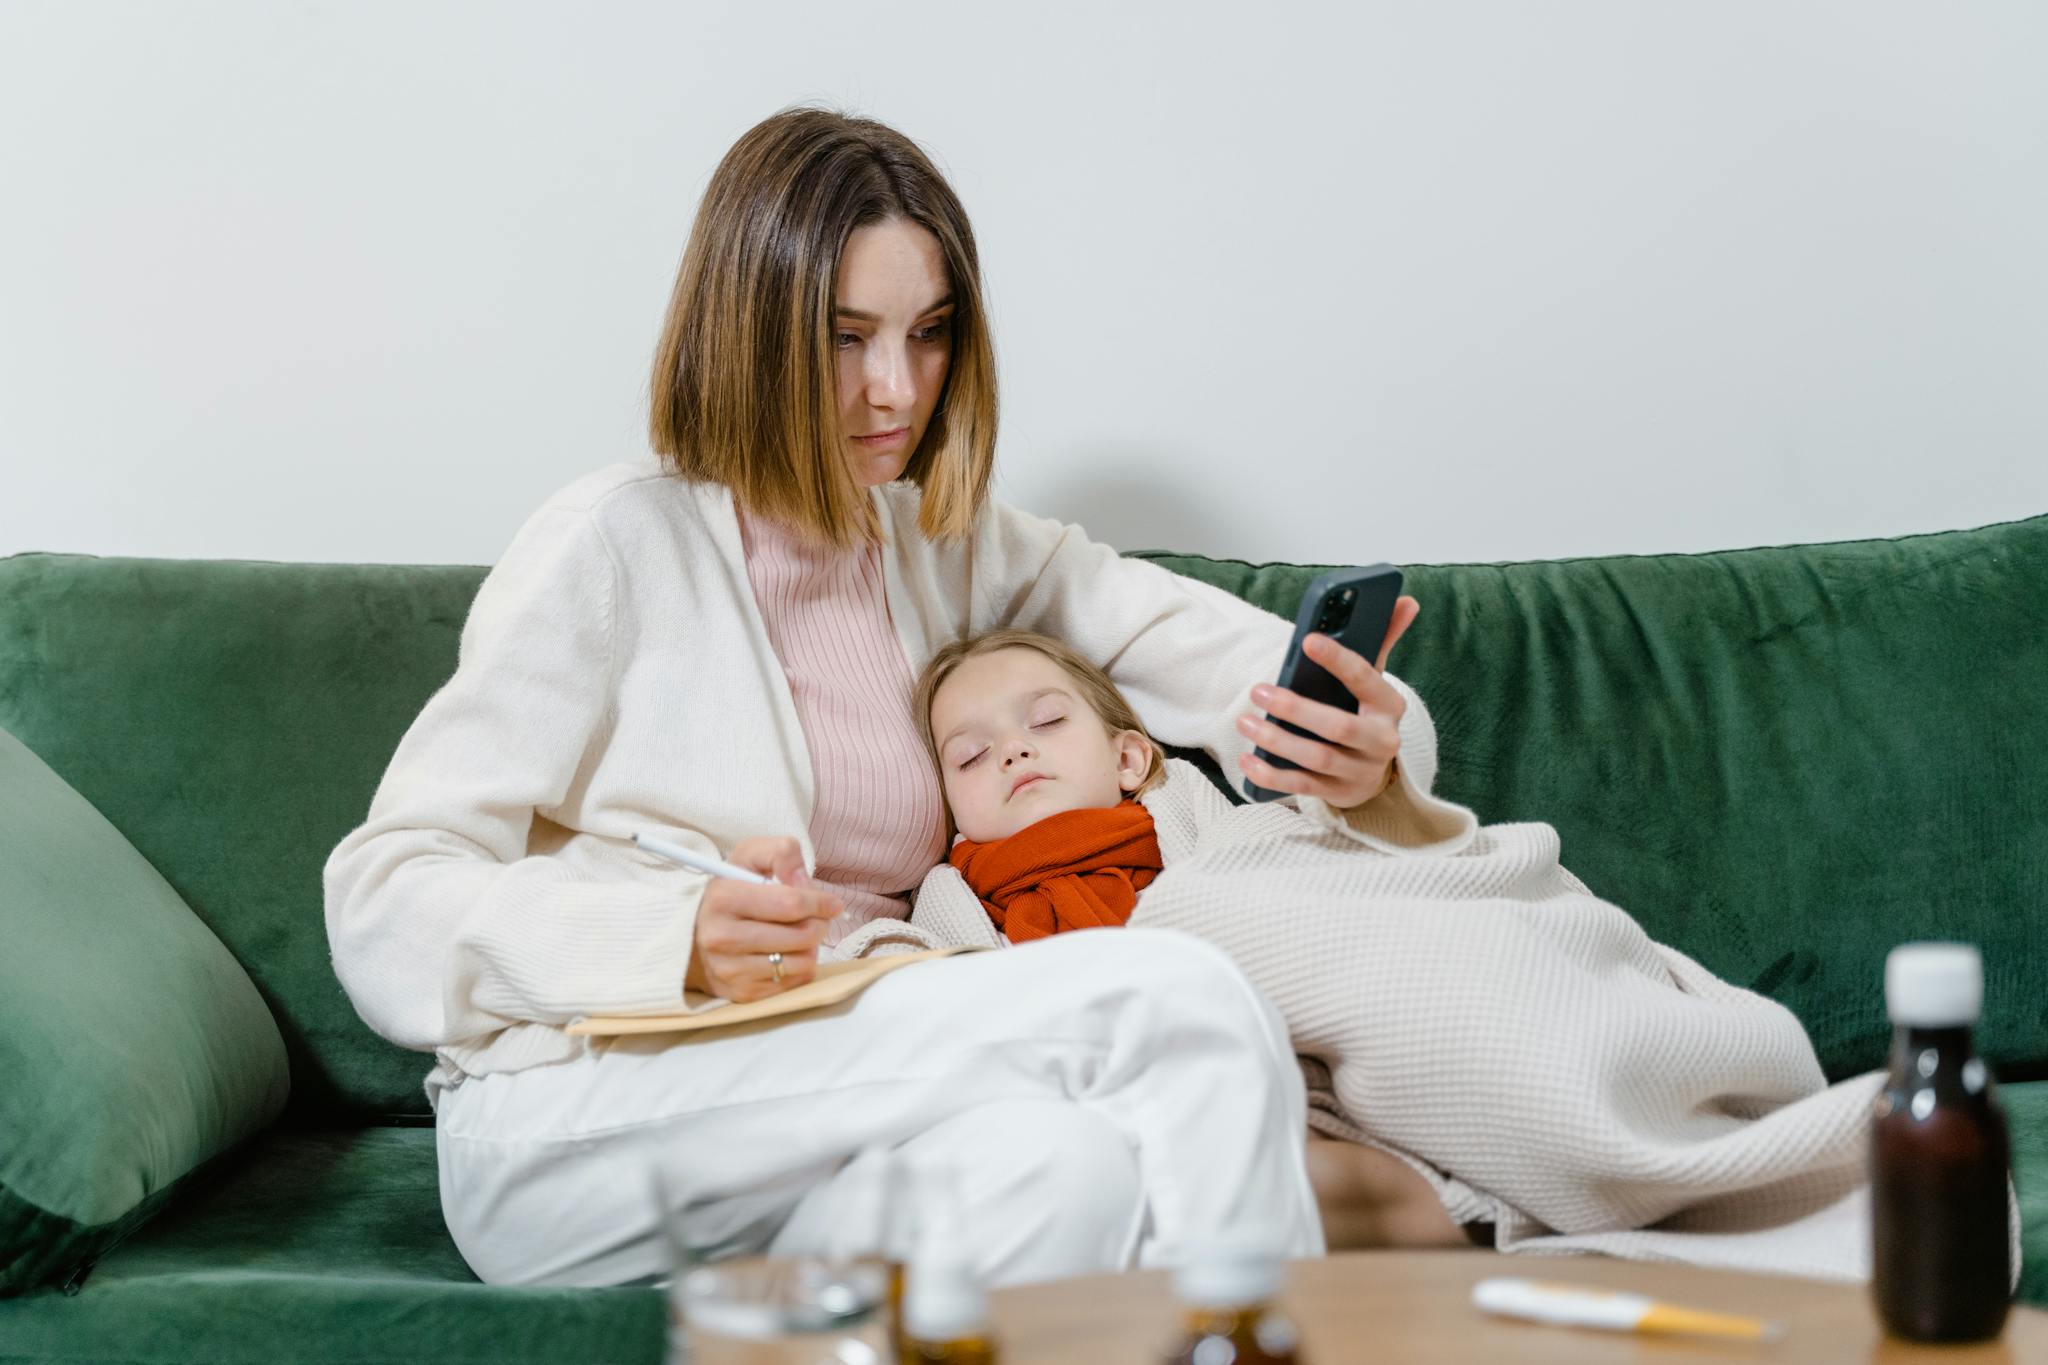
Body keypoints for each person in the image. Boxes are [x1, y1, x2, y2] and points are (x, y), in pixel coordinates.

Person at [322, 105, 1441, 1290]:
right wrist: (673, 940)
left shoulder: (941, 545)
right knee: (1173, 998)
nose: (894, 390)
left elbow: (1249, 671)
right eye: (844, 337)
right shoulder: (611, 543)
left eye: (929, 334)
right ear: (746, 333)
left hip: (836, 1108)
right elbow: (383, 898)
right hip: (582, 1117)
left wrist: (1358, 739)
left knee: (1071, 1171)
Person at [903, 627, 1889, 1282]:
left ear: (1129, 759)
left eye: (1041, 723)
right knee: (1232, 1176)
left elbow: (1368, 892)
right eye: (970, 755)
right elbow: (893, 986)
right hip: (1197, 1106)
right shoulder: (958, 911)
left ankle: (1573, 1179)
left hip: (1327, 1078)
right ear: (943, 809)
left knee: (1367, 1088)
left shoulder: (1219, 844)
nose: (1013, 755)